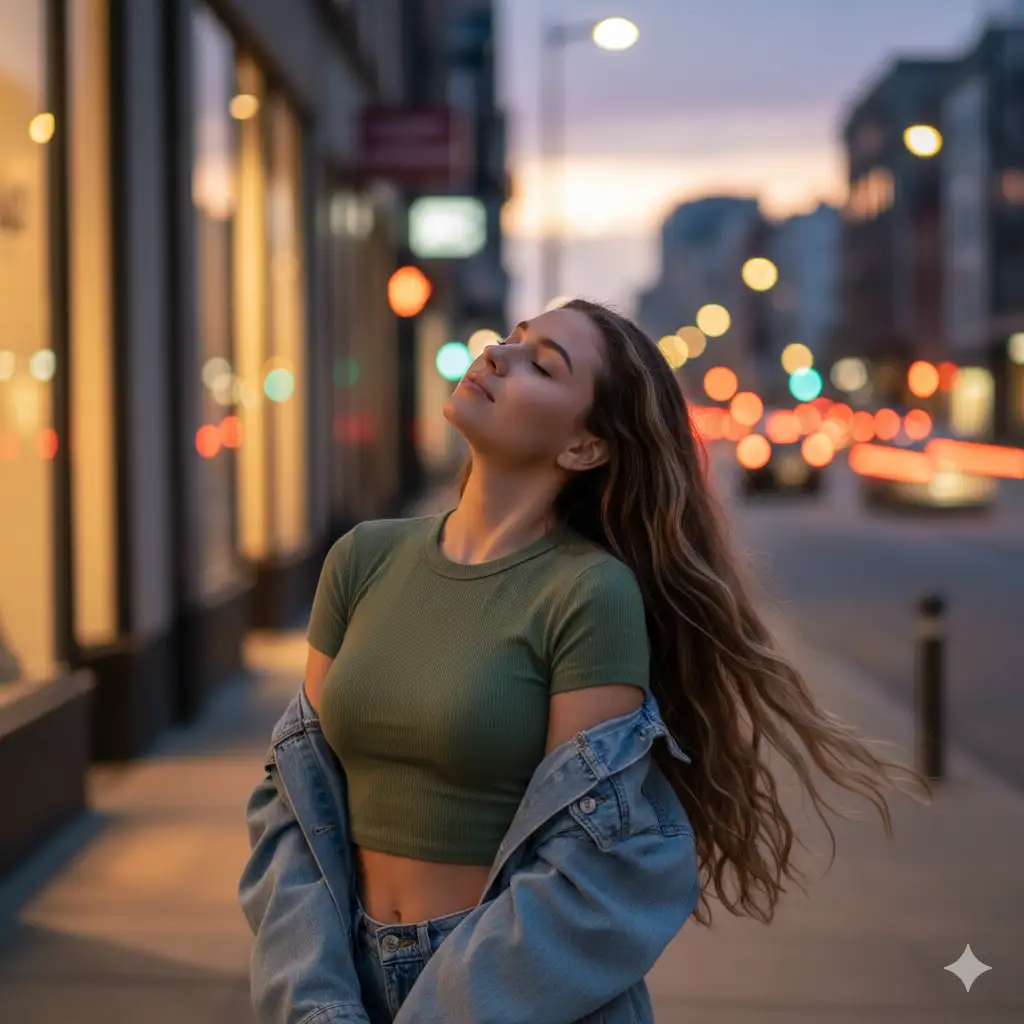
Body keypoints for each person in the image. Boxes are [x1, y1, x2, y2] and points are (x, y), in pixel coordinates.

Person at [240, 298, 929, 1024]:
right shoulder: (362, 559)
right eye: (512, 339)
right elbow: (294, 804)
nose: (499, 355)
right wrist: (315, 1004)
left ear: (584, 447)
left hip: (511, 994)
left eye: (541, 364)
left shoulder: (588, 593)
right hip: (345, 979)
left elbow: (595, 864)